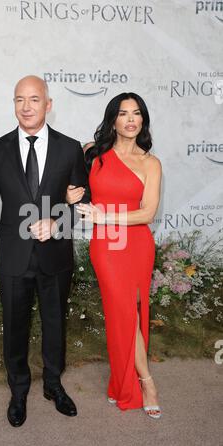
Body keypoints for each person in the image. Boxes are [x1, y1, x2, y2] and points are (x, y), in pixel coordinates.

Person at [0, 75, 89, 427]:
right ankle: (19, 390)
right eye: (19, 100)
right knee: (15, 328)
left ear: (48, 105)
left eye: (34, 99)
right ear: (14, 104)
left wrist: (58, 221)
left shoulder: (70, 148)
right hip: (11, 257)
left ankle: (54, 385)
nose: (26, 106)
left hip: (55, 256)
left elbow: (85, 203)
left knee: (55, 324)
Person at [66, 92, 162, 418]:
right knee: (121, 312)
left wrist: (106, 216)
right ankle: (143, 381)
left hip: (137, 244)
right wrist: (69, 192)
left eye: (137, 113)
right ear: (114, 119)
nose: (131, 119)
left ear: (143, 120)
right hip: (106, 246)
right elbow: (67, 183)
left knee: (130, 315)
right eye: (123, 113)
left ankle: (126, 381)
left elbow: (147, 213)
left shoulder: (151, 163)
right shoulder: (93, 154)